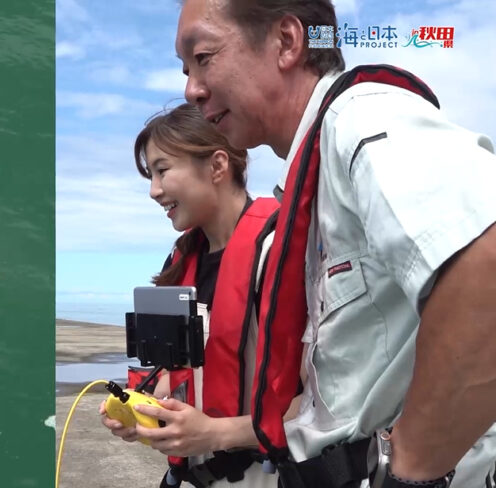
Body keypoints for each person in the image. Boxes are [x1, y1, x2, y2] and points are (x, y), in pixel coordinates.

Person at [174, 1, 496, 487]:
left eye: (202, 56)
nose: (191, 89)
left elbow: (486, 264)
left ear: (286, 41)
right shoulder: (309, 192)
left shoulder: (360, 118)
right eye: (185, 69)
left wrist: (408, 473)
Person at [99, 103, 295, 487]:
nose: (154, 191)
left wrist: (216, 434)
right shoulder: (182, 258)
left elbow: (326, 406)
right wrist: (146, 416)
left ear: (218, 166)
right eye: (150, 175)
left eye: (162, 170)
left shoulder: (278, 254)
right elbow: (177, 380)